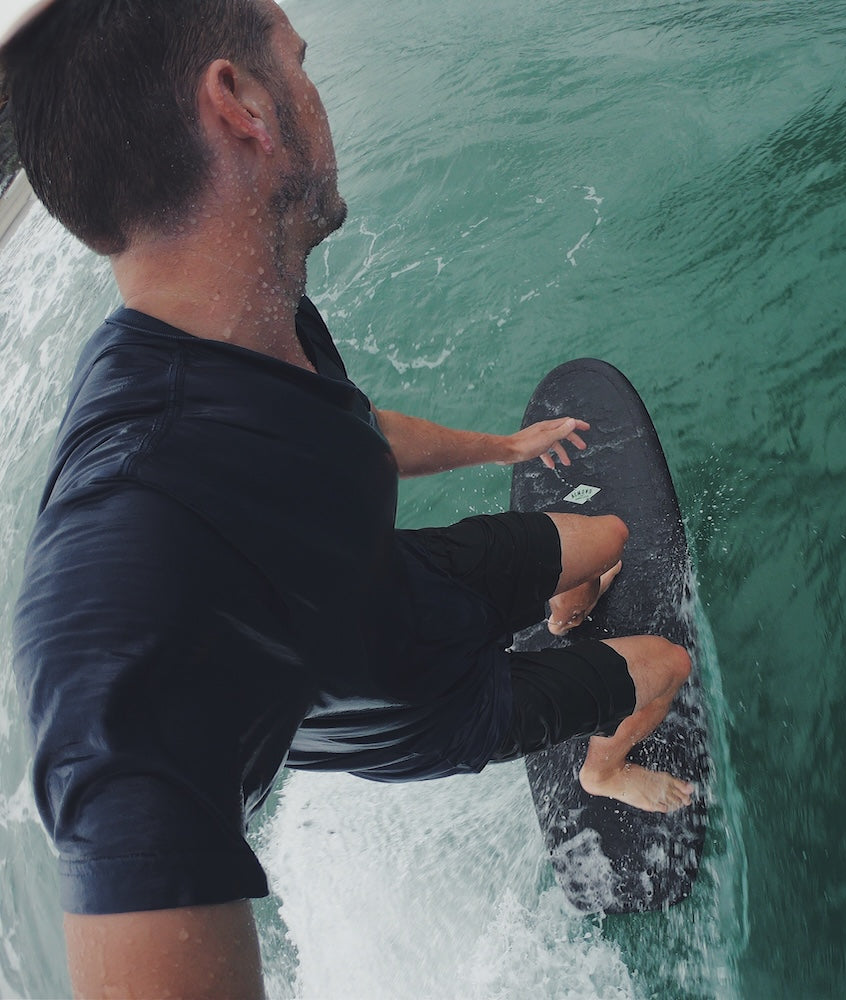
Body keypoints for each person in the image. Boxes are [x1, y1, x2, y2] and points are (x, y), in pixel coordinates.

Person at [2, 0, 694, 996]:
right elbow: (100, 703)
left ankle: (561, 613)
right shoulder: (127, 540)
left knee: (610, 535)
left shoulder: (254, 315)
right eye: (299, 60)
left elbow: (350, 433)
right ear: (241, 103)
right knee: (666, 665)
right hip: (427, 709)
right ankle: (602, 767)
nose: (316, 89)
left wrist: (504, 447)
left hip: (408, 585)